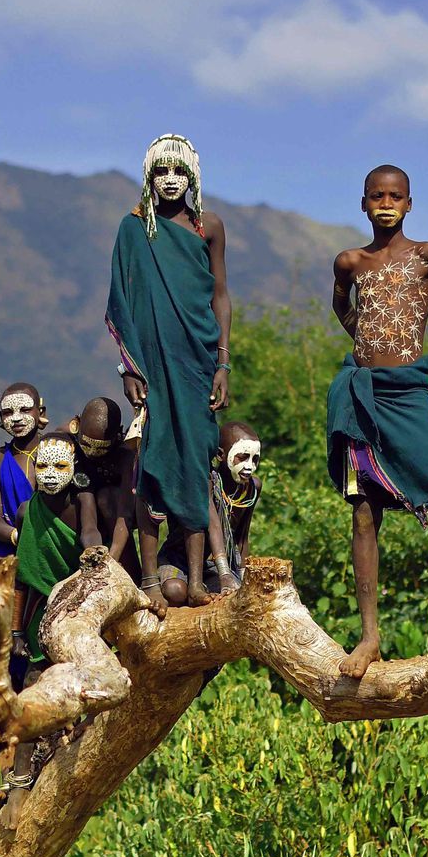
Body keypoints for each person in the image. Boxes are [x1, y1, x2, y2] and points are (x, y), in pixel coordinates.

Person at [327, 165, 428, 679]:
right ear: (363, 204)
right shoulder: (350, 261)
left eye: (396, 196)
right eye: (377, 196)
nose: (386, 203)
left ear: (410, 204)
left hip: (409, 395)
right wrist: (366, 345)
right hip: (362, 397)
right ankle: (370, 637)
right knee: (363, 512)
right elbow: (341, 307)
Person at [106, 134, 230, 608]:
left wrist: (223, 361)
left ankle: (198, 582)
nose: (171, 180)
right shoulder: (135, 229)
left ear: (192, 177)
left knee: (197, 462)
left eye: (180, 172)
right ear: (150, 177)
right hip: (152, 365)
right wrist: (129, 367)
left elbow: (220, 296)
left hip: (199, 361)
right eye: (163, 172)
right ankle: (151, 581)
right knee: (151, 465)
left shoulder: (209, 226)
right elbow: (121, 298)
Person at [15, 432, 93, 669]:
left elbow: (90, 532)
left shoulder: (83, 501)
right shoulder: (25, 511)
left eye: (59, 466)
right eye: (42, 465)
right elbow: (22, 575)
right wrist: (16, 632)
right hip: (39, 615)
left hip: (80, 609)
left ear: (74, 465)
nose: (49, 474)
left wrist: (95, 554)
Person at [73, 397, 136, 569]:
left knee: (106, 497)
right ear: (76, 424)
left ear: (118, 435)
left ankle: (133, 572)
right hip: (82, 514)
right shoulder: (67, 442)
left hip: (117, 516)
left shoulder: (125, 458)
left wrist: (110, 562)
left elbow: (125, 514)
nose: (91, 453)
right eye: (86, 445)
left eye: (100, 447)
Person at [0, 383, 45, 560]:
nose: (16, 418)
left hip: (54, 548)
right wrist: (23, 538)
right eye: (8, 412)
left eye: (25, 410)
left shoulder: (55, 449)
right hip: (15, 552)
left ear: (40, 413)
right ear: (1, 417)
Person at [207, 421, 264, 592]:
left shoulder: (252, 488)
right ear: (220, 455)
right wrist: (224, 574)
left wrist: (244, 574)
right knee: (175, 591)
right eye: (243, 457)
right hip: (190, 561)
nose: (249, 466)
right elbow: (213, 526)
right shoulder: (208, 482)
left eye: (255, 459)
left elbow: (241, 538)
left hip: (228, 565)